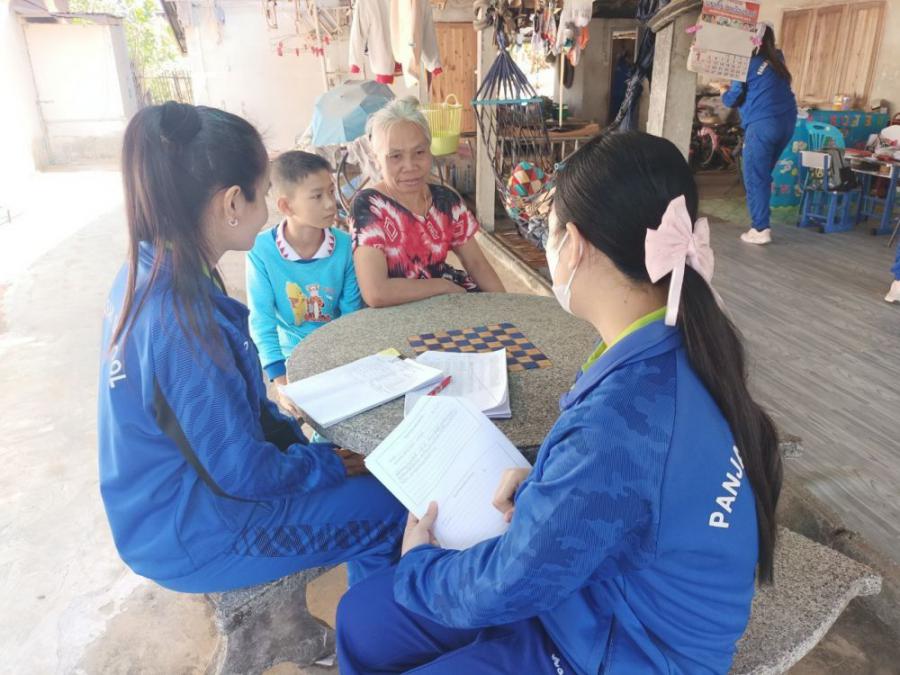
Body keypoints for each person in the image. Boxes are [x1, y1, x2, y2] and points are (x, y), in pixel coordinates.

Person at [335, 131, 784, 674]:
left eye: (545, 229)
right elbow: (628, 489)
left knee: (401, 598)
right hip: (597, 591)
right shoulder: (676, 340)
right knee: (362, 616)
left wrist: (419, 567)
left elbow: (510, 581)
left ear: (573, 244)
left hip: (625, 649)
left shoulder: (622, 416)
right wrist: (549, 482)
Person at [97, 102, 405, 593]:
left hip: (169, 505)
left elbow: (240, 417)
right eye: (262, 195)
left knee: (352, 472)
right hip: (195, 531)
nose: (266, 211)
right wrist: (329, 463)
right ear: (232, 203)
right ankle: (375, 631)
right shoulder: (180, 321)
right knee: (392, 509)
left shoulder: (157, 266)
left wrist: (308, 452)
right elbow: (242, 474)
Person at [350, 97, 505, 307]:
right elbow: (376, 292)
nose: (410, 166)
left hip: (444, 306)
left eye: (419, 152)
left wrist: (505, 307)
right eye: (395, 156)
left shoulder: (445, 201)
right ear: (377, 159)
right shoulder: (369, 206)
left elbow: (477, 264)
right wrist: (442, 286)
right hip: (395, 313)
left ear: (430, 150)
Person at [246, 151, 363, 414]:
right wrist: (281, 384)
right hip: (291, 357)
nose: (331, 204)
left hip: (336, 349)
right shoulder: (260, 251)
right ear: (286, 206)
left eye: (331, 191)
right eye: (317, 196)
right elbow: (261, 322)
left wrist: (344, 365)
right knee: (303, 413)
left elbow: (350, 315)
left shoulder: (345, 246)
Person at [720, 23, 797, 245]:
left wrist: (723, 90)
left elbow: (732, 99)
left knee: (755, 177)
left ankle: (760, 228)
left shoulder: (744, 62)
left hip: (763, 125)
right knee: (762, 174)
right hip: (787, 122)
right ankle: (761, 222)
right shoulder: (778, 59)